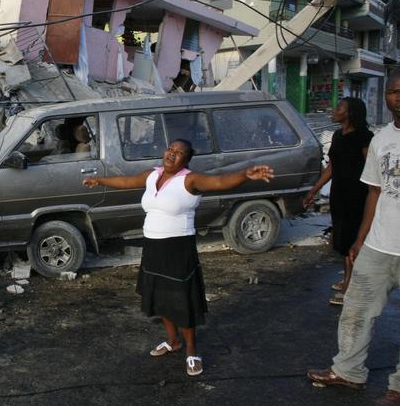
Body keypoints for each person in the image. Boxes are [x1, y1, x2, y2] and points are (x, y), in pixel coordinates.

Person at [83, 140, 274, 377]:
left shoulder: (190, 180)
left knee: (181, 300)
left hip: (178, 248)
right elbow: (127, 181)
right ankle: (173, 341)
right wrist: (100, 181)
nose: (172, 154)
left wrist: (245, 174)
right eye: (170, 150)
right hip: (152, 245)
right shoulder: (153, 175)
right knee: (161, 296)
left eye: (179, 153)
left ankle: (191, 350)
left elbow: (219, 182)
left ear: (186, 159)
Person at [308, 73, 400, 406]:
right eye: (392, 92)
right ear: (386, 98)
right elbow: (375, 193)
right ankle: (348, 371)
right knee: (356, 310)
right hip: (379, 244)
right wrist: (361, 240)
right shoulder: (381, 140)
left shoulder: (365, 137)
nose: (398, 97)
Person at [303, 97, 373, 306]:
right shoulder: (337, 135)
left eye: (339, 108)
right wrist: (313, 190)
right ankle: (347, 280)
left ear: (350, 113)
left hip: (357, 195)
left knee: (353, 239)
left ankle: (351, 287)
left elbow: (372, 169)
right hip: (339, 194)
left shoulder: (364, 137)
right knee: (343, 240)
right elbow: (332, 167)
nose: (334, 110)